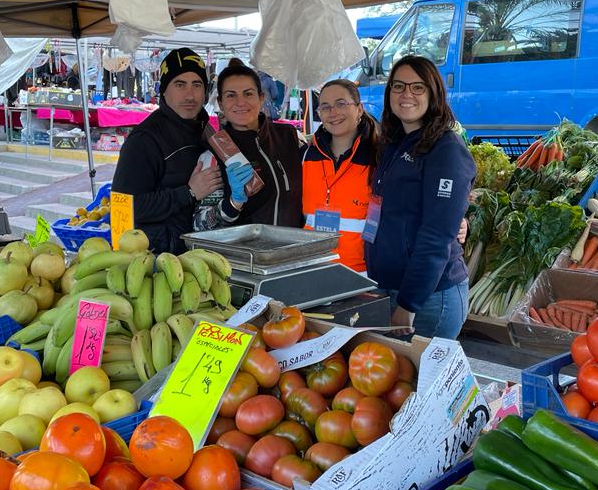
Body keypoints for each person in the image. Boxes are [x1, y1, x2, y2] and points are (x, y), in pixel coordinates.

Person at [365, 55, 476, 340]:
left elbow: (437, 234)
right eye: (398, 86)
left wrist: (408, 303)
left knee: (419, 382)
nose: (406, 94)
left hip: (428, 300)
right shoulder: (394, 141)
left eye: (417, 87)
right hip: (389, 287)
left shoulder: (445, 149)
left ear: (433, 93)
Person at [111, 47, 221, 253]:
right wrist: (188, 193)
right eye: (180, 84)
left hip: (197, 253)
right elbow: (123, 208)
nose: (190, 94)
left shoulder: (204, 128)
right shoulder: (144, 140)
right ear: (164, 90)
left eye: (197, 85)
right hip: (158, 261)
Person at [195, 62, 302, 229]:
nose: (240, 102)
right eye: (231, 95)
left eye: (248, 94)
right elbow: (199, 225)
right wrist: (233, 203)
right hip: (247, 254)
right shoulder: (215, 154)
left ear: (261, 98)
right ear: (221, 103)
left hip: (292, 250)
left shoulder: (289, 137)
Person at [302, 79, 378, 272]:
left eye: (341, 104)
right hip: (312, 269)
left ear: (359, 109)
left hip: (363, 273)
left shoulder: (379, 156)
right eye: (325, 107)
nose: (333, 112)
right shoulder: (306, 156)